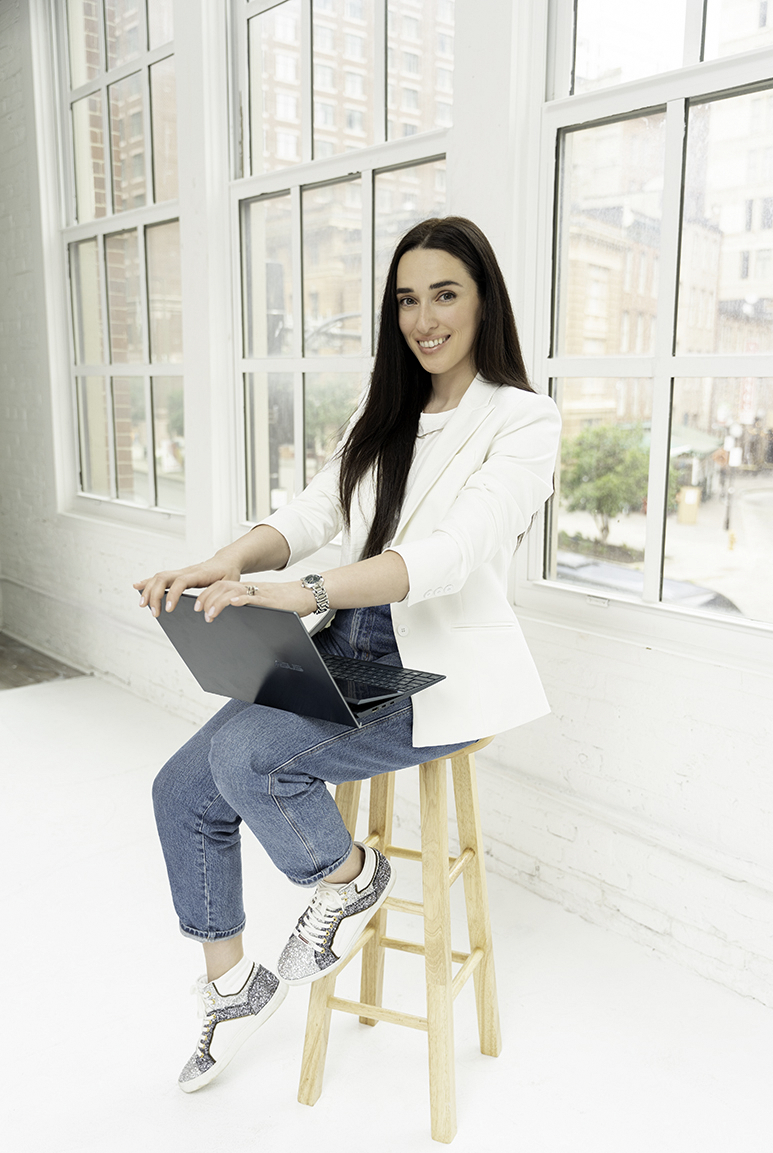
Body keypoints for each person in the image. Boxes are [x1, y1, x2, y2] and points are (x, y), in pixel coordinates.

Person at [134, 215, 561, 1094]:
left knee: (247, 755)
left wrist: (312, 591)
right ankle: (229, 987)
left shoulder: (523, 421)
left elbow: (449, 554)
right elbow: (309, 515)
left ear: (485, 302)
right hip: (339, 649)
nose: (424, 317)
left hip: (431, 674)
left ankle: (353, 876)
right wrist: (223, 563)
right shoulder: (387, 415)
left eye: (446, 294)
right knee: (181, 788)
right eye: (407, 298)